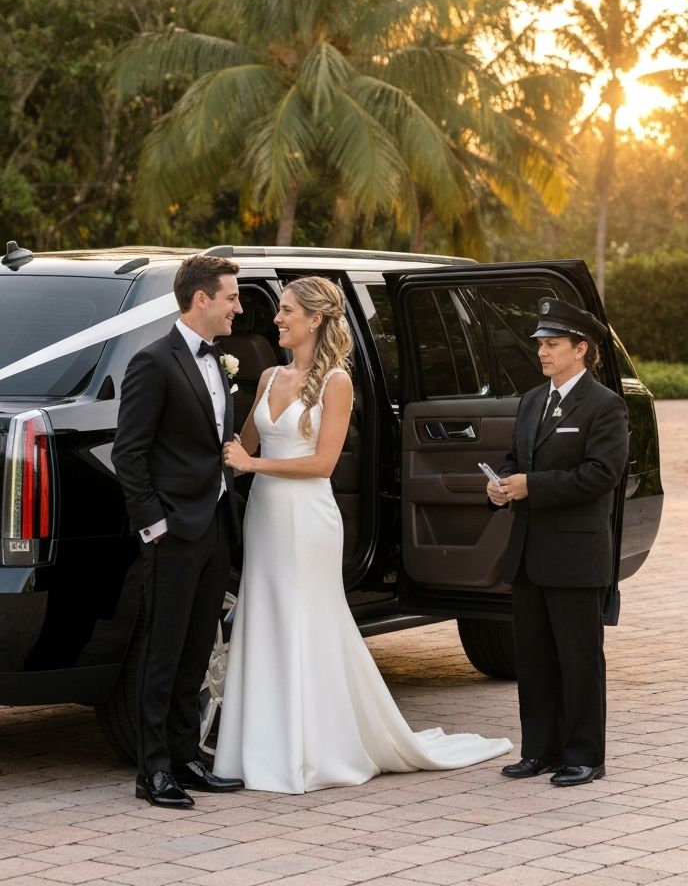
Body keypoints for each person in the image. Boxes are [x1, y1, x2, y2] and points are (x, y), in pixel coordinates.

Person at [214, 276, 511, 793]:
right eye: (279, 310)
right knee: (265, 617)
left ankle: (313, 751)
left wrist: (251, 461)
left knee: (307, 621)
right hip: (264, 514)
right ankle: (261, 746)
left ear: (315, 320)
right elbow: (237, 450)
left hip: (307, 517)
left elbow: (323, 463)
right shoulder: (266, 379)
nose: (276, 319)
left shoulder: (336, 383)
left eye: (285, 311)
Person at [112, 254, 247, 809]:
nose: (239, 306)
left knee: (197, 651)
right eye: (232, 297)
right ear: (201, 299)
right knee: (162, 655)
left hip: (215, 524)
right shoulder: (153, 362)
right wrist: (154, 526)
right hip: (172, 531)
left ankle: (187, 756)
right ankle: (154, 772)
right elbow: (129, 454)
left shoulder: (218, 360)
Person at [486, 297, 629, 787]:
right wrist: (502, 485)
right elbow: (513, 458)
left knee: (579, 660)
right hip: (529, 553)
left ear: (581, 348)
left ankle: (585, 756)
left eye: (552, 344)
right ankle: (539, 751)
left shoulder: (605, 404)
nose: (542, 353)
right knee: (535, 659)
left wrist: (533, 486)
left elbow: (601, 475)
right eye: (541, 345)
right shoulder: (531, 400)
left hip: (575, 555)